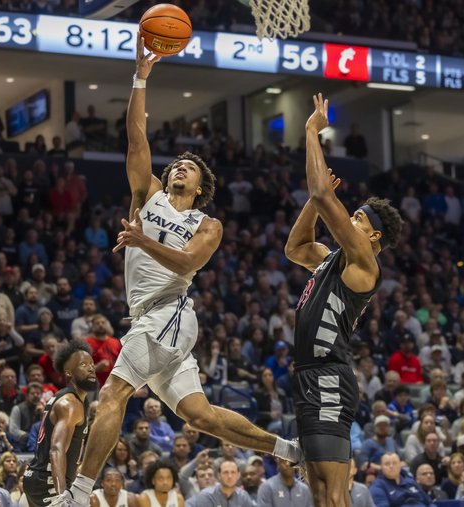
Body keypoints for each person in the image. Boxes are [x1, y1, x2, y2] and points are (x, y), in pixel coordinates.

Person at [57, 36, 299, 507]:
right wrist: (140, 78)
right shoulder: (147, 195)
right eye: (177, 165)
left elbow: (188, 263)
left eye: (189, 167)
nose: (180, 167)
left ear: (201, 184)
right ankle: (292, 449)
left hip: (170, 314)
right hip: (153, 317)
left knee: (112, 395)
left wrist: (142, 238)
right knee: (201, 417)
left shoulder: (206, 223)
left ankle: (76, 494)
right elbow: (136, 138)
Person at [285, 93, 404, 507]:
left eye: (355, 217)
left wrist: (310, 133)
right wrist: (316, 205)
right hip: (308, 376)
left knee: (334, 495)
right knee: (319, 492)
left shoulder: (363, 262)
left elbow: (320, 192)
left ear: (372, 236)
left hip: (329, 377)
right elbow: (296, 248)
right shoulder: (332, 258)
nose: (348, 219)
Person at [22, 340, 98, 506]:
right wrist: (61, 495)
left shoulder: (68, 398)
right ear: (68, 372)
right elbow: (57, 449)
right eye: (84, 364)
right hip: (48, 483)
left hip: (38, 479)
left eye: (92, 363)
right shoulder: (70, 403)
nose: (91, 368)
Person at [186, 460, 252, 507]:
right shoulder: (206, 496)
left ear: (238, 475)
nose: (229, 476)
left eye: (233, 472)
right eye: (225, 472)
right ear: (219, 476)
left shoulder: (244, 496)